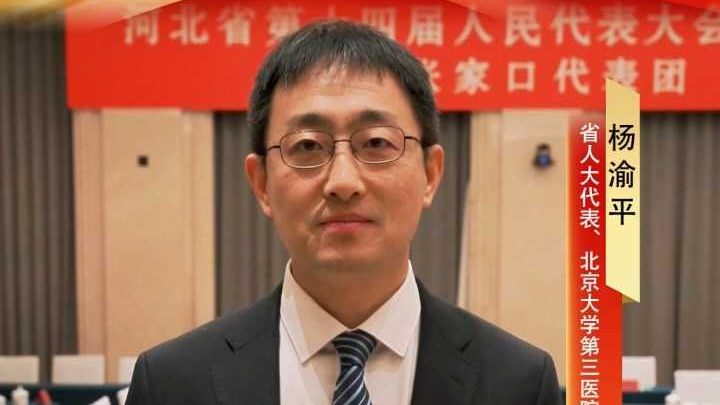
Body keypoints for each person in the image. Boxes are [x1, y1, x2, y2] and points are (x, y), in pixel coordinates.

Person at [126, 20, 562, 405]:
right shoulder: (172, 383)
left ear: (430, 174)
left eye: (376, 143)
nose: (343, 181)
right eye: (307, 146)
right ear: (261, 183)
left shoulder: (519, 383)